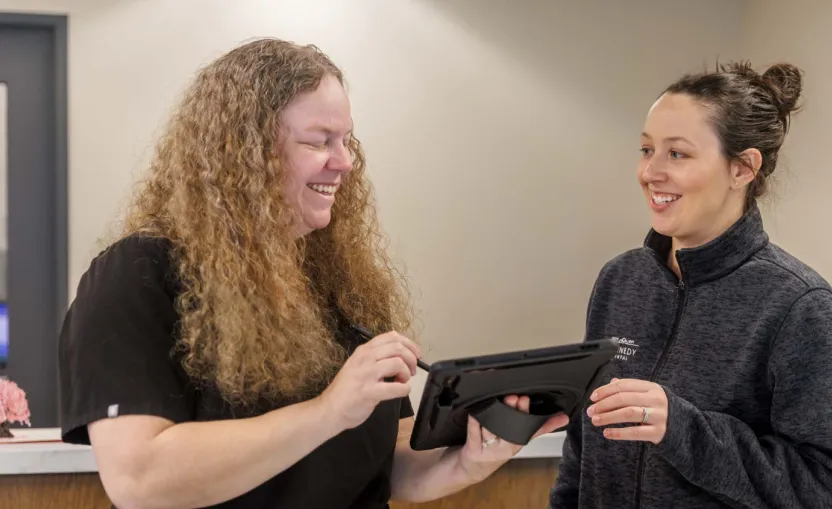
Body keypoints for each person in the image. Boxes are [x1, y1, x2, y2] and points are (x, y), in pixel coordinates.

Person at [57, 38, 567, 509]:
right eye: (319, 141)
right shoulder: (138, 274)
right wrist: (326, 412)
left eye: (347, 140)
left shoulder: (338, 281)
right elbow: (139, 480)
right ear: (245, 152)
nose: (344, 162)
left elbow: (392, 468)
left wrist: (469, 460)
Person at [548, 61, 832, 508]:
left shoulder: (798, 303)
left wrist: (684, 430)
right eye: (647, 150)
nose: (650, 173)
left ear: (742, 168)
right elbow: (582, 454)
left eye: (677, 154)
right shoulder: (620, 280)